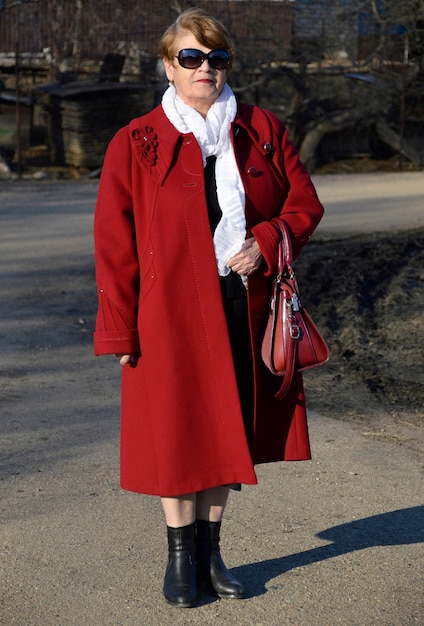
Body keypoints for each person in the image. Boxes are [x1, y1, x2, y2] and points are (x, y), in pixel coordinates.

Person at [93, 8, 324, 608]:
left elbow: (304, 207)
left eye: (216, 58)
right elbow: (113, 243)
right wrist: (120, 332)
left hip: (240, 304)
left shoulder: (262, 128)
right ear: (169, 66)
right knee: (176, 431)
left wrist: (267, 243)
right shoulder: (136, 141)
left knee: (228, 428)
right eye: (192, 58)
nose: (206, 69)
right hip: (164, 313)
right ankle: (179, 557)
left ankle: (213, 551)